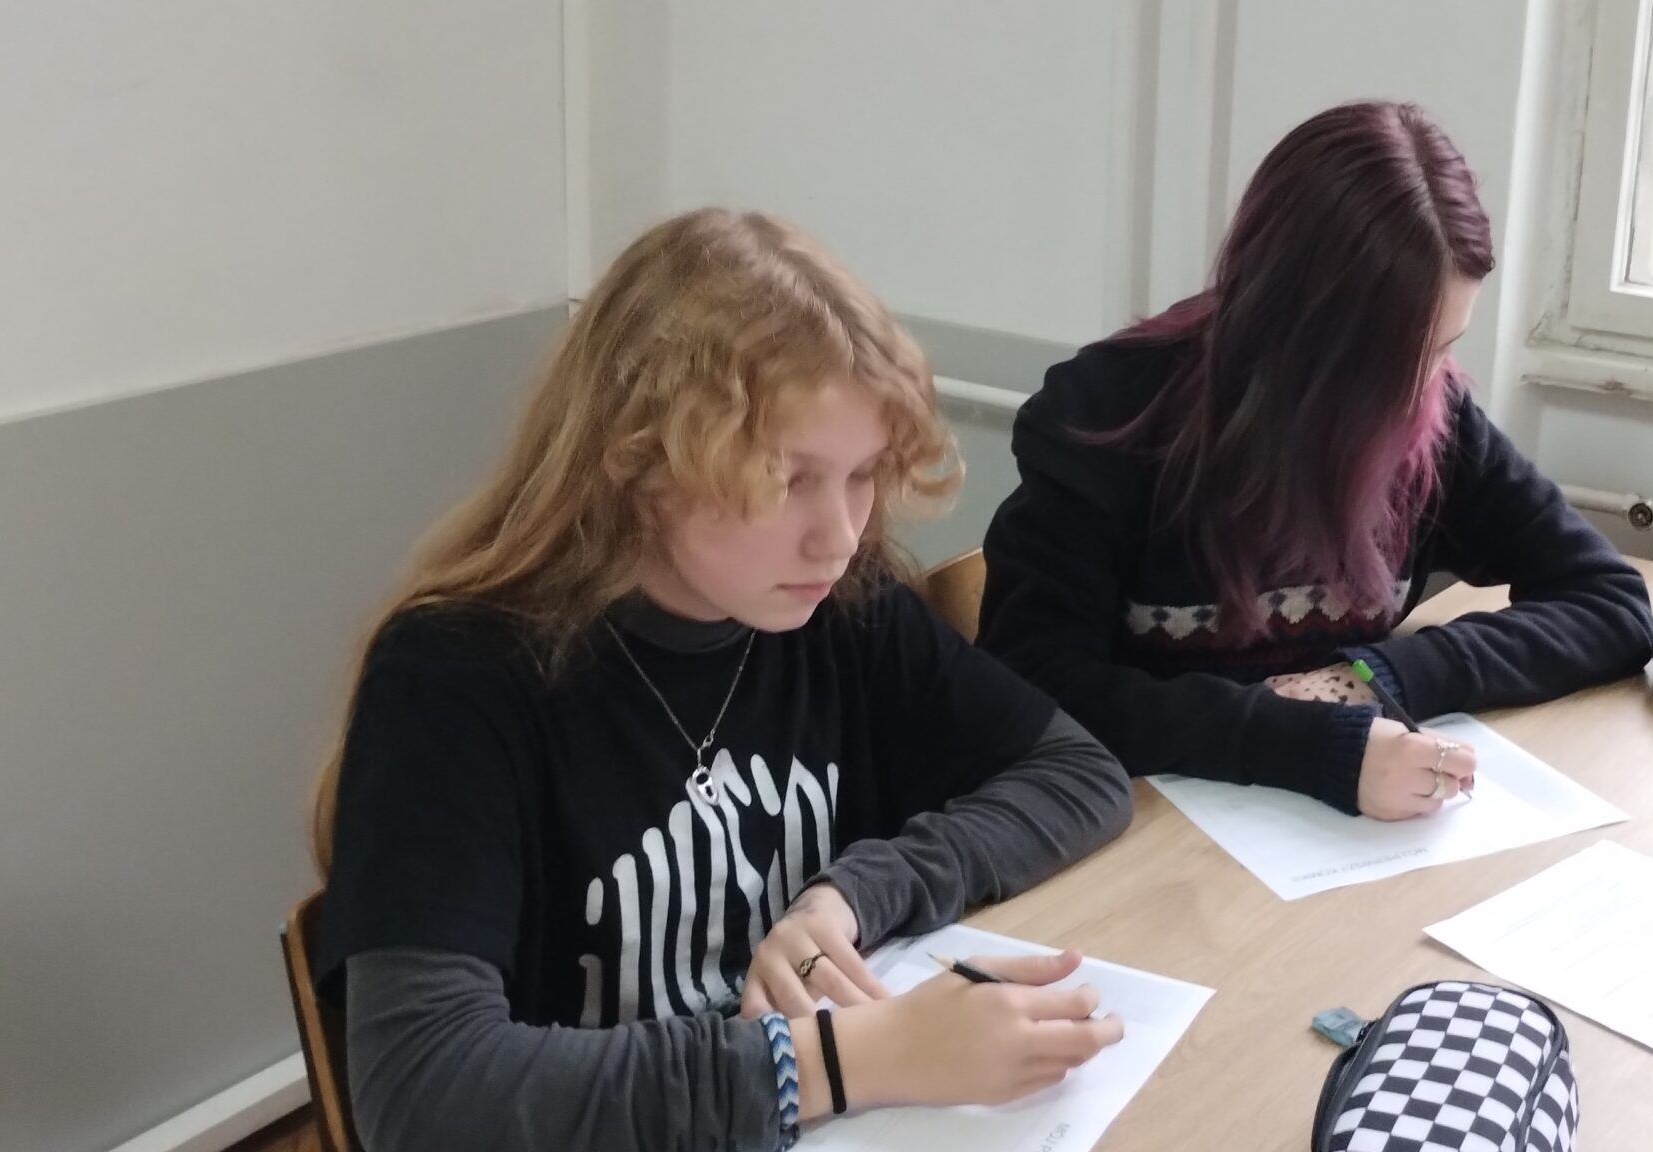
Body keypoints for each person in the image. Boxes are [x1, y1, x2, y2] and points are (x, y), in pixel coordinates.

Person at [309, 208, 1132, 1152]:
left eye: (862, 475)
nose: (841, 536)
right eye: (787, 480)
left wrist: (855, 893)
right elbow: (424, 1097)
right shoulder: (453, 675)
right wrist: (845, 1059)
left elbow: (1079, 776)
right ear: (639, 463)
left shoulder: (840, 607)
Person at [977, 101, 1653, 822]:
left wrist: (1372, 678)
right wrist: (1304, 742)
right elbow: (1031, 690)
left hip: (1317, 833)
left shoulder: (1435, 415)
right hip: (1150, 827)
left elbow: (1609, 602)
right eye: (1388, 360)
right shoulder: (1101, 419)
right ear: (1293, 329)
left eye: (1443, 349)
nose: (1417, 390)